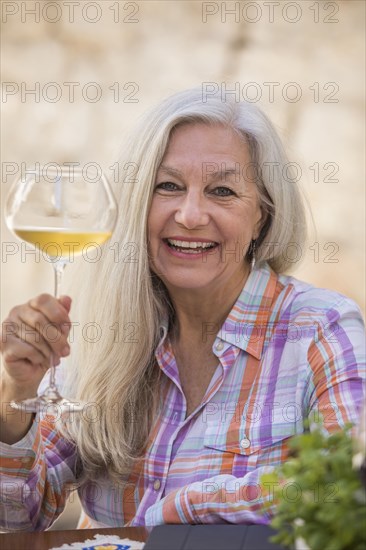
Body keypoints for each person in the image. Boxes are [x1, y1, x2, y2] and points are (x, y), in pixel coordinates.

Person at [1, 88, 365, 531]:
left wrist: (181, 509)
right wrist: (16, 394)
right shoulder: (106, 332)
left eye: (223, 191)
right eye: (168, 186)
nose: (190, 215)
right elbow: (19, 516)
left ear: (262, 217)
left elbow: (348, 487)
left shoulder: (321, 328)